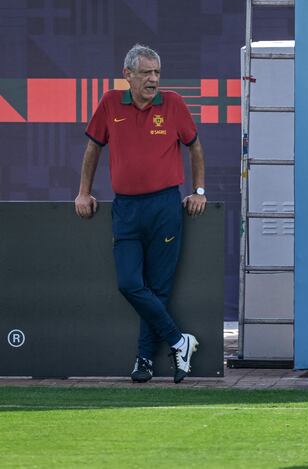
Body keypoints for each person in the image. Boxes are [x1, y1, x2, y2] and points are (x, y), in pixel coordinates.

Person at [74, 44, 207, 384]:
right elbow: (93, 147)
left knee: (158, 288)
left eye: (157, 73)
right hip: (127, 208)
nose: (153, 80)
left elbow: (194, 146)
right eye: (146, 73)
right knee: (130, 283)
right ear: (127, 75)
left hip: (165, 206)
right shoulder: (109, 103)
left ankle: (145, 360)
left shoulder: (174, 104)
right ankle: (181, 341)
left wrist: (199, 191)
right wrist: (83, 192)